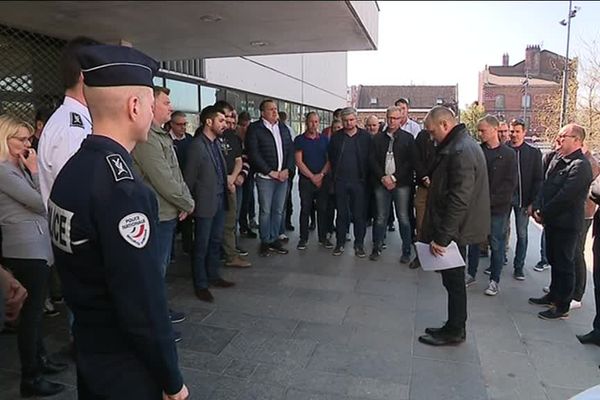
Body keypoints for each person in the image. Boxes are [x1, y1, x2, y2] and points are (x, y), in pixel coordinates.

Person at [48, 44, 188, 400]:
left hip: (92, 352)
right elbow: (142, 303)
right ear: (135, 106)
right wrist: (172, 380)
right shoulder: (123, 191)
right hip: (124, 364)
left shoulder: (75, 170)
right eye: (150, 100)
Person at [0, 114, 67, 397]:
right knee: (31, 316)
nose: (29, 143)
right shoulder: (4, 170)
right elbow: (39, 202)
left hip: (37, 246)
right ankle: (31, 375)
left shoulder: (18, 167)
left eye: (29, 137)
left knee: (36, 313)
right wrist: (37, 169)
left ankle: (41, 359)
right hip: (24, 249)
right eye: (22, 139)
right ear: (5, 139)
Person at [418, 106, 490, 346]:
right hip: (456, 228)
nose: (431, 137)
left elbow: (460, 198)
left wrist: (443, 238)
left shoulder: (460, 150)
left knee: (454, 281)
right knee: (453, 281)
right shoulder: (460, 145)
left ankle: (455, 329)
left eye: (431, 131)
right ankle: (453, 325)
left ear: (444, 125)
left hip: (456, 230)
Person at [132, 86, 194, 332]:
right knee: (153, 271)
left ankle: (157, 311)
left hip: (168, 211)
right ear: (151, 105)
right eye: (166, 102)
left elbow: (175, 173)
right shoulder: (147, 137)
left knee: (160, 268)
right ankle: (152, 321)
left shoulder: (160, 135)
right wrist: (186, 202)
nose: (171, 106)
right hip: (157, 213)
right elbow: (162, 178)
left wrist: (183, 200)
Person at [530, 124, 593, 320]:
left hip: (567, 224)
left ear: (577, 140)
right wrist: (538, 206)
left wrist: (544, 213)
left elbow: (565, 197)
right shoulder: (558, 160)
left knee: (565, 264)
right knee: (554, 259)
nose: (558, 140)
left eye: (563, 136)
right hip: (553, 222)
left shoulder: (581, 166)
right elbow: (545, 185)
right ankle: (553, 295)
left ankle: (562, 305)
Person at [184, 105, 236, 303]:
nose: (225, 124)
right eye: (221, 121)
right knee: (202, 245)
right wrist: (188, 205)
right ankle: (201, 284)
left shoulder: (215, 143)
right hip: (204, 204)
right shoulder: (197, 146)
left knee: (215, 242)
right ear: (209, 122)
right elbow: (189, 178)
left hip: (220, 201)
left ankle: (213, 276)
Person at [465, 115, 517, 296]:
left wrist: (491, 200)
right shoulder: (477, 151)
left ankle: (494, 280)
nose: (479, 134)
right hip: (476, 206)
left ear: (494, 130)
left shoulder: (509, 154)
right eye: (478, 130)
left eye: (482, 130)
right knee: (473, 241)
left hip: (498, 208)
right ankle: (470, 273)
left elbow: (510, 184)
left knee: (497, 244)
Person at [246, 99, 294, 257]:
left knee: (278, 210)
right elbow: (254, 154)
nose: (275, 112)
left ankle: (274, 238)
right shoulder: (255, 129)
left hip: (283, 177)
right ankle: (265, 241)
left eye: (276, 109)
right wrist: (270, 172)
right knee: (266, 211)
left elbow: (290, 150)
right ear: (262, 112)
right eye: (271, 109)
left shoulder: (283, 128)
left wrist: (288, 169)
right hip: (265, 177)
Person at [369, 106, 416, 263]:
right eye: (389, 118)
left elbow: (410, 163)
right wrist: (383, 177)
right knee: (381, 217)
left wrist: (394, 178)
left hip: (401, 184)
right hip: (381, 183)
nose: (392, 121)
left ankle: (406, 251)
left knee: (403, 217)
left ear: (401, 119)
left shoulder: (408, 138)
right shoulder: (377, 139)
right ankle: (377, 247)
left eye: (395, 118)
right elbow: (372, 160)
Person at [328, 107, 371, 257]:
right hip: (340, 180)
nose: (348, 123)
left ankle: (359, 244)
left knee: (359, 215)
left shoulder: (365, 137)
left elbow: (370, 159)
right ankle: (340, 243)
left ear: (356, 119)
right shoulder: (336, 137)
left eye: (351, 120)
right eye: (345, 121)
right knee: (341, 214)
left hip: (359, 181)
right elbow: (331, 157)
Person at [214, 101, 251, 269]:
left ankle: (230, 255)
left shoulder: (233, 136)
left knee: (230, 222)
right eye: (225, 117)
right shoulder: (206, 136)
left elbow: (238, 159)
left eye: (230, 117)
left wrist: (233, 177)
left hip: (230, 185)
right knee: (213, 225)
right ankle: (214, 256)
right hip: (213, 188)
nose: (228, 121)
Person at [508, 118, 543, 281]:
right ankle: (498, 261)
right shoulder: (504, 149)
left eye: (517, 131)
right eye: (512, 131)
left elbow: (538, 179)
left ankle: (519, 267)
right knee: (500, 232)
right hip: (504, 198)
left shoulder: (533, 153)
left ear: (524, 132)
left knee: (522, 234)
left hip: (524, 199)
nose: (514, 134)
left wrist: (533, 202)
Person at [294, 112, 331, 250]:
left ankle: (323, 238)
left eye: (316, 122)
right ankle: (303, 239)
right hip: (306, 180)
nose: (313, 125)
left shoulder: (325, 140)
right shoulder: (299, 140)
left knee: (323, 209)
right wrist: (312, 177)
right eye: (311, 122)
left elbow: (329, 160)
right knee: (305, 209)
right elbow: (299, 161)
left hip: (322, 179)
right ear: (306, 122)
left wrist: (321, 175)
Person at [168, 111, 194, 256]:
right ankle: (170, 252)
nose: (183, 127)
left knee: (188, 220)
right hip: (171, 185)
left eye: (185, 124)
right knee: (172, 220)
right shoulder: (167, 140)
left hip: (187, 184)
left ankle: (188, 247)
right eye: (179, 124)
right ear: (171, 124)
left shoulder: (190, 140)